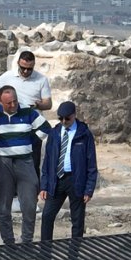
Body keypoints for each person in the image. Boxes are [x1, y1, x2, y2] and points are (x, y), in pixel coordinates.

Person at [0, 86, 50, 245]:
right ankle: (9, 242)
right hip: (2, 162)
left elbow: (46, 128)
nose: (13, 105)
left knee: (29, 203)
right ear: (1, 101)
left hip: (25, 160)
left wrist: (31, 140)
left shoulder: (28, 112)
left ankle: (26, 240)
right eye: (9, 103)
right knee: (3, 205)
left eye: (15, 101)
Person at [0, 50, 53, 176]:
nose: (26, 71)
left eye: (30, 69)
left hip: (32, 125)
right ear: (18, 63)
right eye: (23, 68)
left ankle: (31, 194)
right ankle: (14, 194)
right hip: (11, 125)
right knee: (9, 164)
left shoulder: (41, 79)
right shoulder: (8, 76)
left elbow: (48, 104)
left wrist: (38, 105)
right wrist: (0, 102)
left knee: (33, 165)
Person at [39, 101, 97, 242]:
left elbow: (91, 163)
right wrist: (44, 185)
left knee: (77, 221)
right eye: (61, 118)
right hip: (57, 180)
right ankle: (45, 256)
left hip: (76, 180)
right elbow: (47, 161)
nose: (64, 121)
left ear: (74, 116)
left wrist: (89, 189)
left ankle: (73, 258)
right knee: (47, 216)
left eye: (67, 118)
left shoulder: (84, 134)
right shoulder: (54, 133)